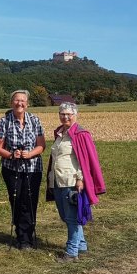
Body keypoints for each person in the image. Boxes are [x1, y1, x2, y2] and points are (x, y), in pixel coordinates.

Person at [46, 102, 106, 262]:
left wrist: (81, 179)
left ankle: (72, 252)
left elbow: (85, 160)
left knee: (72, 218)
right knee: (65, 216)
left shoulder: (81, 134)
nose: (65, 117)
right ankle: (81, 245)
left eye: (69, 114)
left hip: (71, 181)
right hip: (57, 181)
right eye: (62, 114)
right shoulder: (60, 133)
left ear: (75, 115)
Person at [0, 89, 46, 250]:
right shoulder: (4, 121)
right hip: (12, 168)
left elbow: (41, 145)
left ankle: (27, 236)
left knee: (30, 201)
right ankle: (20, 234)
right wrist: (11, 155)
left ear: (27, 104)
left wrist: (30, 154)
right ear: (11, 103)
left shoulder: (35, 120)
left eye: (23, 100)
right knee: (16, 200)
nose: (19, 103)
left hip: (33, 168)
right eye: (16, 100)